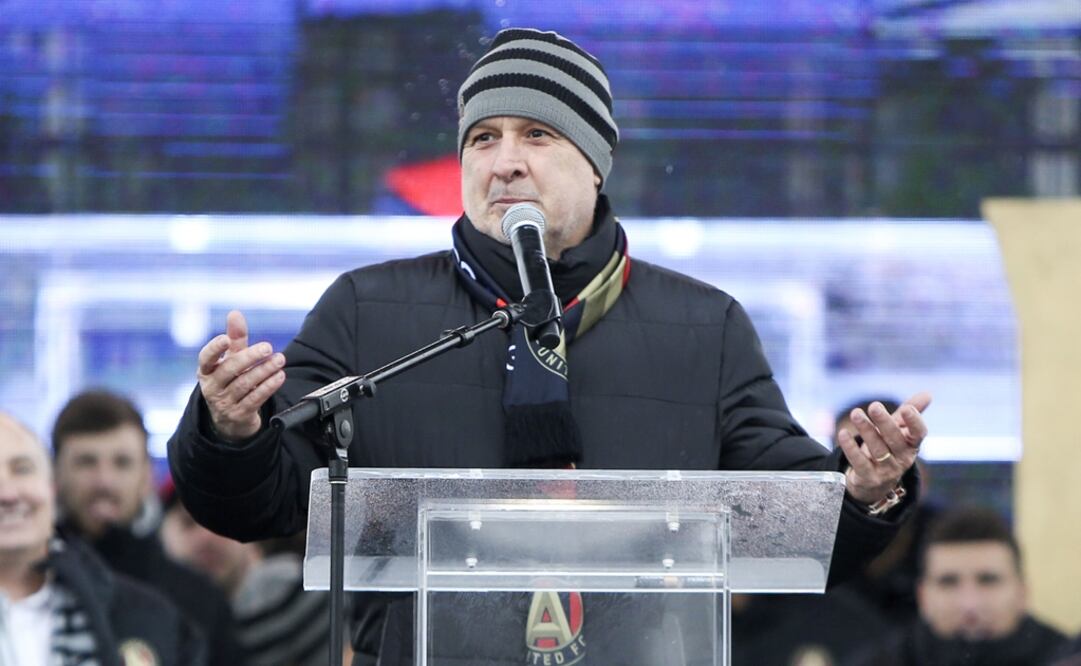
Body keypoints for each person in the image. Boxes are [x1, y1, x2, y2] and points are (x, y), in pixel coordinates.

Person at [169, 28, 930, 665]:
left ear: (596, 163)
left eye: (537, 135)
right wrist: (230, 431)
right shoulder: (369, 310)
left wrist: (866, 491)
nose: (504, 161)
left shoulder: (704, 327)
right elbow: (259, 501)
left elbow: (794, 522)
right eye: (483, 139)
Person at [51, 388, 246, 666]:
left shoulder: (198, 600)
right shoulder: (24, 588)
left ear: (146, 475)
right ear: (56, 471)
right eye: (86, 462)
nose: (104, 481)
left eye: (122, 463)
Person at [0, 411, 205, 666]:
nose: (7, 492)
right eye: (86, 462)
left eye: (22, 469)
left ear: (50, 485)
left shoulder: (152, 616)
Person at [849, 507, 1067, 665]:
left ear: (1022, 592)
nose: (969, 603)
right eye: (948, 582)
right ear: (923, 595)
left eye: (988, 580)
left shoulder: (1066, 658)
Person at [159, 477, 340, 666]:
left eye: (220, 521)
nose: (207, 537)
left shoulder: (292, 593)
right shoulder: (154, 614)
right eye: (188, 523)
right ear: (161, 533)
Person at [834, 396, 941, 625]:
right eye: (851, 456)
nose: (868, 471)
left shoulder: (947, 538)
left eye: (885, 455)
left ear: (921, 474)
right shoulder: (813, 544)